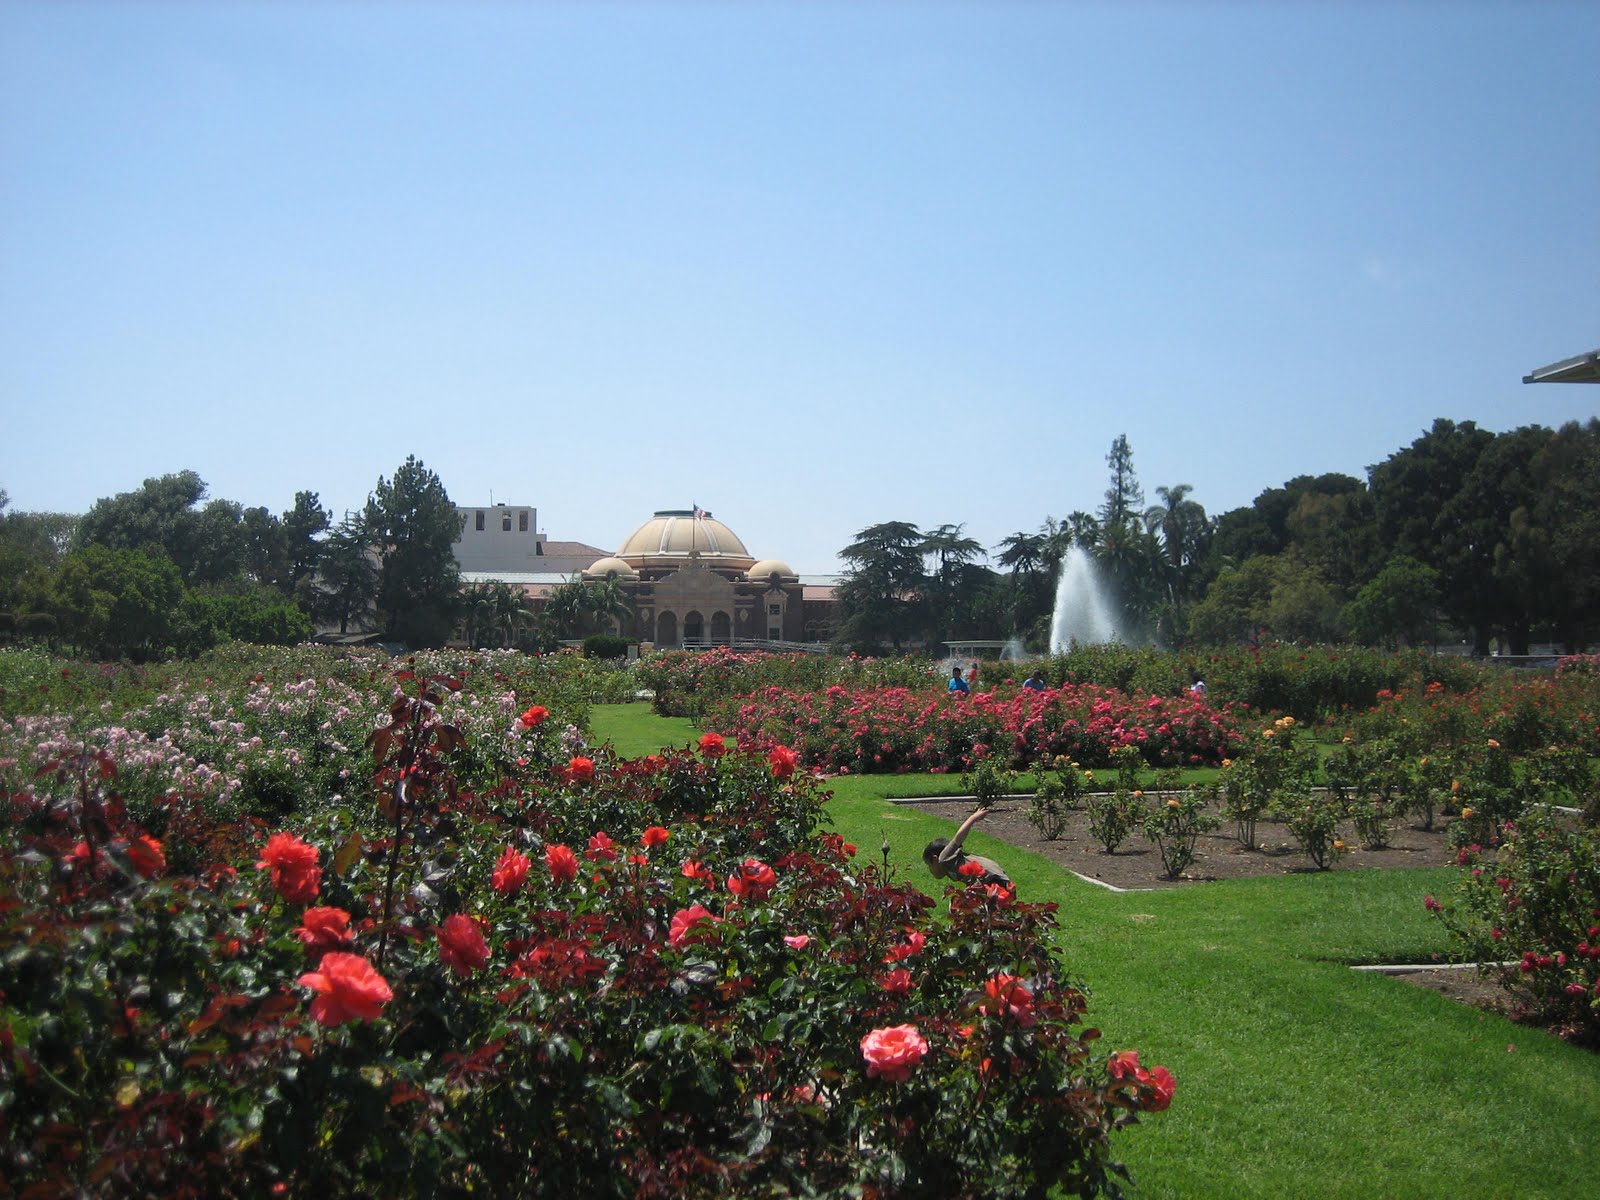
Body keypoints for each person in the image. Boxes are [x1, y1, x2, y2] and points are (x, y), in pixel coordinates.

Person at [923, 805, 1010, 885]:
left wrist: (973, 817)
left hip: (992, 878)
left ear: (934, 859)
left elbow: (958, 838)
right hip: (995, 878)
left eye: (929, 865)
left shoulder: (944, 859)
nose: (930, 870)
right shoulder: (952, 864)